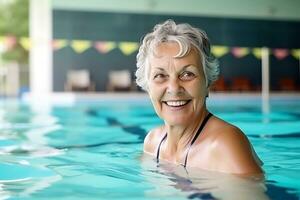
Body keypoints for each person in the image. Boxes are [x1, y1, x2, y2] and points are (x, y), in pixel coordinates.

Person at [135, 19, 263, 175]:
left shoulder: (225, 145)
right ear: (148, 87)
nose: (174, 88)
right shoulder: (152, 143)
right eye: (160, 75)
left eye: (187, 74)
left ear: (207, 84)